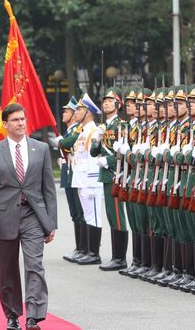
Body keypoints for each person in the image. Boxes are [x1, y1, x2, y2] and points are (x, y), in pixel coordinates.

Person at [0, 103, 57, 330]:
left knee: (34, 265)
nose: (21, 123)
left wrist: (50, 223)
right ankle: (12, 316)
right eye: (15, 120)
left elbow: (48, 189)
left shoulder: (40, 149)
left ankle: (33, 316)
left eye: (23, 119)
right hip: (4, 218)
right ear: (5, 124)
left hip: (33, 215)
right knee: (7, 268)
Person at [90, 87, 129, 271]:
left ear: (118, 104)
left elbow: (123, 152)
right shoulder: (103, 126)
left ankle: (120, 258)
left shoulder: (121, 125)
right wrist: (96, 139)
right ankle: (116, 256)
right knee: (111, 215)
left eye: (110, 100)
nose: (106, 103)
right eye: (104, 101)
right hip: (105, 175)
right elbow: (93, 153)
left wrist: (109, 160)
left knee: (117, 215)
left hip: (116, 174)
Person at [71, 93, 104, 265]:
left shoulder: (93, 131)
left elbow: (93, 158)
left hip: (91, 181)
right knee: (88, 215)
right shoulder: (83, 132)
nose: (76, 112)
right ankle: (90, 251)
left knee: (95, 216)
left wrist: (92, 180)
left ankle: (94, 253)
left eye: (80, 109)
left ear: (88, 113)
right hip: (81, 179)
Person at [56, 97, 87, 263]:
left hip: (77, 173)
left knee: (80, 212)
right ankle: (79, 247)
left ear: (75, 115)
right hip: (69, 173)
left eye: (67, 111)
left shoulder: (77, 130)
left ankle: (85, 247)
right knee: (74, 213)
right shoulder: (71, 130)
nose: (64, 114)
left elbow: (68, 143)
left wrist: (61, 142)